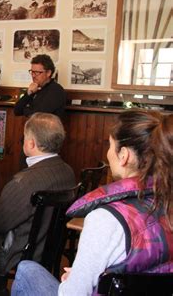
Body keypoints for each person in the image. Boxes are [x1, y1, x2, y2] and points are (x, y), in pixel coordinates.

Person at [11, 110, 173, 296]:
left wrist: (73, 282)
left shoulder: (105, 220)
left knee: (26, 269)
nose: (108, 153)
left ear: (124, 155)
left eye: (110, 145)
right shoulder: (166, 202)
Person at [0, 113, 75, 294]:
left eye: (24, 138)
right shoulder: (68, 172)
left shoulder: (24, 182)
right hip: (50, 249)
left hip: (19, 254)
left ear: (31, 143)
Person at [14, 54, 66, 119]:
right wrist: (28, 93)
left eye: (37, 72)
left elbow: (37, 116)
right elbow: (17, 111)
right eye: (32, 72)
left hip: (47, 128)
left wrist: (26, 110)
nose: (33, 75)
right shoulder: (35, 88)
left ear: (48, 73)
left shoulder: (56, 91)